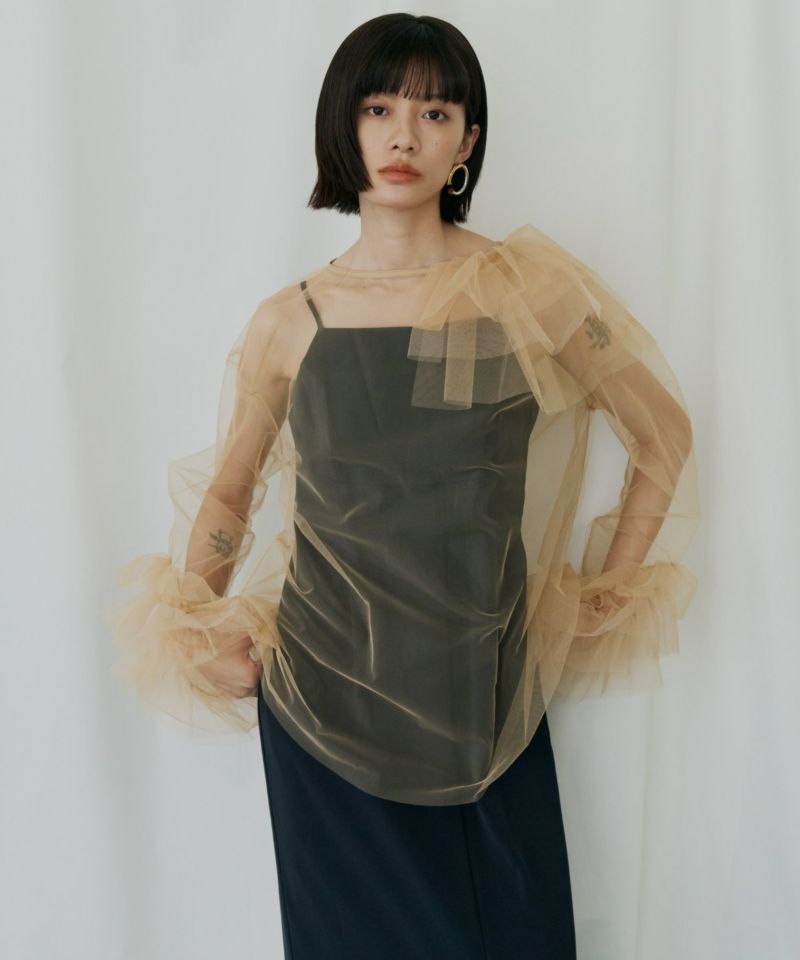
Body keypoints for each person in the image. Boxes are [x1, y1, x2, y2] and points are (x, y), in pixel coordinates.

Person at [107, 12, 700, 959]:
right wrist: (195, 622)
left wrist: (602, 596)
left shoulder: (528, 290)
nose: (403, 136)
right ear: (343, 126)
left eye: (434, 112)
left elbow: (661, 433)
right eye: (379, 108)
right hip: (321, 707)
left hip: (483, 706)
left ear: (467, 141)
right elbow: (230, 490)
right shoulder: (290, 320)